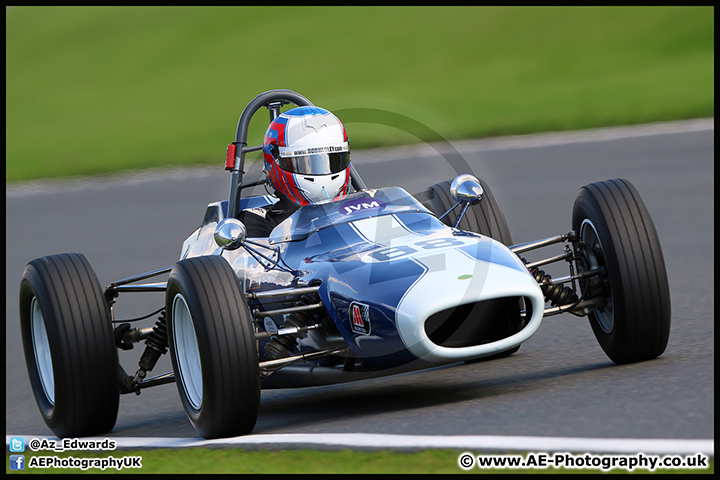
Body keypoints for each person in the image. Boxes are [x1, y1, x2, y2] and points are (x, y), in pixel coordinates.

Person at [239, 106, 352, 237]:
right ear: (274, 162)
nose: (322, 173)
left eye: (332, 161)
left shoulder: (361, 206)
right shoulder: (256, 221)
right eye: (306, 163)